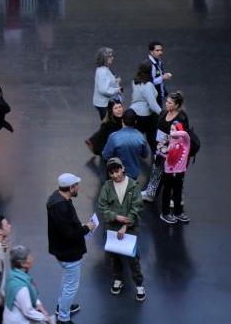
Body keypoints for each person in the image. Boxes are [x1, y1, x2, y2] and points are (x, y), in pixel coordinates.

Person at [46, 173, 93, 323]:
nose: (79, 187)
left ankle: (62, 306)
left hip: (61, 249)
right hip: (69, 252)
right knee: (71, 286)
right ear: (71, 187)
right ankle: (63, 317)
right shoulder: (62, 206)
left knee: (67, 281)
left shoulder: (56, 198)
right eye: (76, 185)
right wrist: (87, 228)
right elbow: (70, 234)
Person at [98, 159, 147, 302]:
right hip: (113, 228)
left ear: (123, 168)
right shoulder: (107, 186)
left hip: (130, 228)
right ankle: (118, 279)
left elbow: (137, 207)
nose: (114, 175)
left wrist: (126, 225)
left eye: (117, 171)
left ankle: (139, 285)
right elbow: (102, 206)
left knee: (133, 257)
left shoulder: (133, 185)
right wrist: (116, 217)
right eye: (111, 172)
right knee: (114, 256)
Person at [2, 246, 53, 324]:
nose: (33, 259)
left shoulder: (13, 274)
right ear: (23, 264)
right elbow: (28, 311)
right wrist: (45, 318)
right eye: (30, 257)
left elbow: (31, 294)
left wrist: (40, 306)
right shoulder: (21, 288)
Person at [159, 124, 193, 224]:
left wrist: (172, 134)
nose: (171, 131)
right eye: (170, 129)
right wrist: (162, 149)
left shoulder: (186, 141)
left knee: (178, 193)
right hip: (168, 172)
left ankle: (178, 212)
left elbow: (184, 133)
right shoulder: (169, 141)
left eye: (173, 129)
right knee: (167, 192)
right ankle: (165, 213)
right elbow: (162, 153)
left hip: (180, 172)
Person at [128, 62, 162, 147]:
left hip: (134, 112)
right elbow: (152, 104)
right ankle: (155, 151)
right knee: (152, 135)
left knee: (135, 137)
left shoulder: (135, 81)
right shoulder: (148, 85)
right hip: (145, 115)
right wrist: (162, 113)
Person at [92, 47, 121, 119]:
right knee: (108, 126)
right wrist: (117, 89)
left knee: (108, 126)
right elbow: (104, 90)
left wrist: (115, 81)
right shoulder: (103, 71)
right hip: (104, 105)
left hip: (104, 103)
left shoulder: (103, 69)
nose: (112, 58)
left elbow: (106, 82)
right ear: (104, 58)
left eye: (112, 56)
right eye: (109, 56)